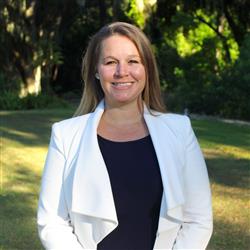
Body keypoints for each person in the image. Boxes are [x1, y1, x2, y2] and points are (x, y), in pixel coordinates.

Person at [37, 22, 213, 250]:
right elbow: (52, 222)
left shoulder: (179, 131)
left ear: (146, 69)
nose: (122, 72)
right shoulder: (65, 135)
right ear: (96, 72)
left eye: (133, 61)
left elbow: (197, 219)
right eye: (110, 62)